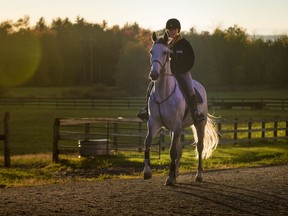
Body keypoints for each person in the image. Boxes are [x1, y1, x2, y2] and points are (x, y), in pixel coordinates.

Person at [137, 18, 205, 124]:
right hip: (168, 74)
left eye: (174, 29)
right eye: (170, 30)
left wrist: (181, 70)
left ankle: (195, 112)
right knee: (151, 85)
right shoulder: (165, 44)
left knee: (190, 88)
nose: (172, 31)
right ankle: (146, 110)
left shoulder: (185, 43)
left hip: (183, 72)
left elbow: (191, 60)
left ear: (178, 30)